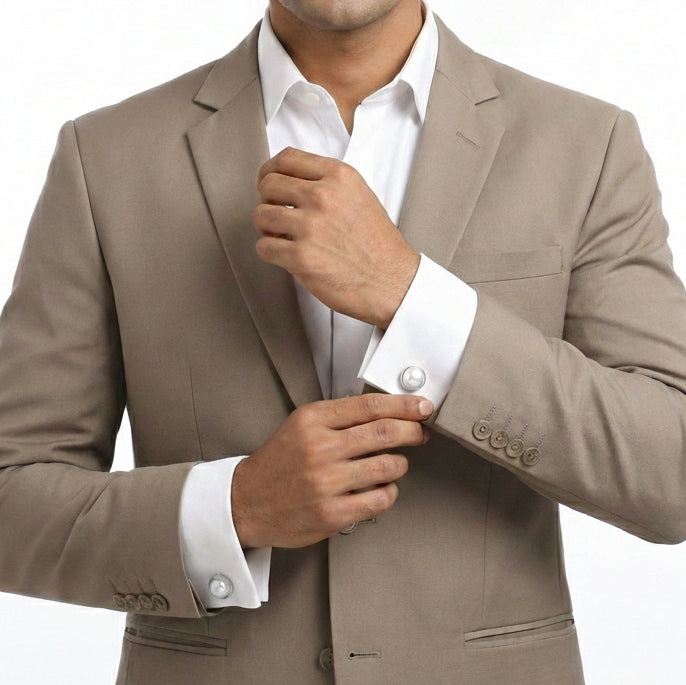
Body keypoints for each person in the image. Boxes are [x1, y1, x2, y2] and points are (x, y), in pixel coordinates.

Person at [1, 1, 685, 683]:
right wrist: (233, 507)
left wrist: (410, 295)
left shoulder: (586, 145)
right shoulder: (106, 157)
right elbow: (12, 496)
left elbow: (671, 468)